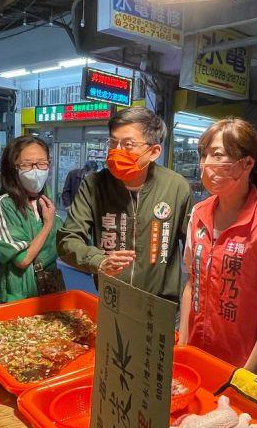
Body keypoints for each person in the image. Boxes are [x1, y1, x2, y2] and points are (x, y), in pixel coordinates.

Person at [179, 118, 257, 380]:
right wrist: (182, 344)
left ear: (247, 164)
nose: (206, 164)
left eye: (217, 155)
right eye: (204, 155)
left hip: (245, 365)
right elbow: (193, 283)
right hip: (198, 355)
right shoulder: (199, 214)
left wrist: (247, 375)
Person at [58, 106, 191, 301]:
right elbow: (67, 240)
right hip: (111, 296)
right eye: (113, 142)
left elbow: (194, 249)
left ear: (153, 151)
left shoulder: (176, 187)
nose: (116, 151)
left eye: (128, 144)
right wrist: (99, 261)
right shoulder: (95, 184)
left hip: (162, 303)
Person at [0, 135, 65, 303]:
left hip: (48, 286)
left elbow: (58, 244)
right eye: (27, 164)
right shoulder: (5, 204)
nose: (36, 170)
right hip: (18, 294)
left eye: (42, 163)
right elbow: (23, 260)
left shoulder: (47, 196)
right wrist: (48, 223)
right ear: (13, 167)